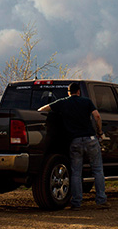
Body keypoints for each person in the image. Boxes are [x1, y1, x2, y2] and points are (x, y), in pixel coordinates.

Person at [38, 82, 110, 210]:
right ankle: (101, 200)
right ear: (79, 92)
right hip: (90, 139)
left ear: (68, 92)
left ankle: (77, 202)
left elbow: (42, 109)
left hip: (75, 141)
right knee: (98, 170)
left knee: (76, 172)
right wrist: (99, 131)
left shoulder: (63, 102)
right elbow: (97, 116)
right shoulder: (86, 102)